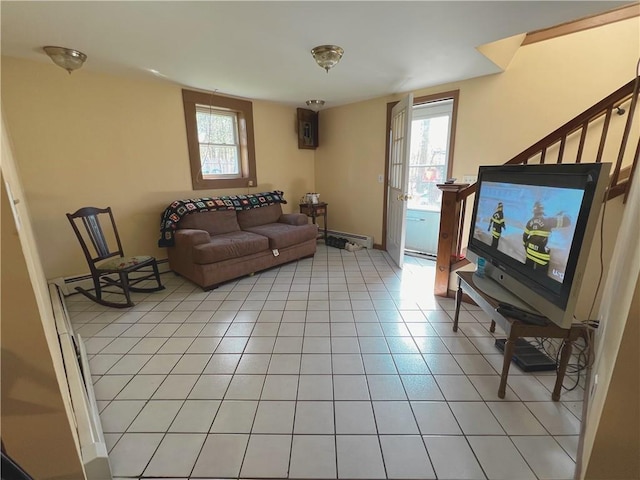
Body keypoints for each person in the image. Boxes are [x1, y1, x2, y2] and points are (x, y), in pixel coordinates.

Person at [522, 201, 571, 273]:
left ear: (534, 211)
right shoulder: (548, 220)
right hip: (542, 257)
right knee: (540, 280)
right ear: (542, 211)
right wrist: (564, 214)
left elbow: (524, 237)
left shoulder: (529, 222)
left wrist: (527, 247)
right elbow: (567, 222)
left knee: (526, 274)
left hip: (529, 253)